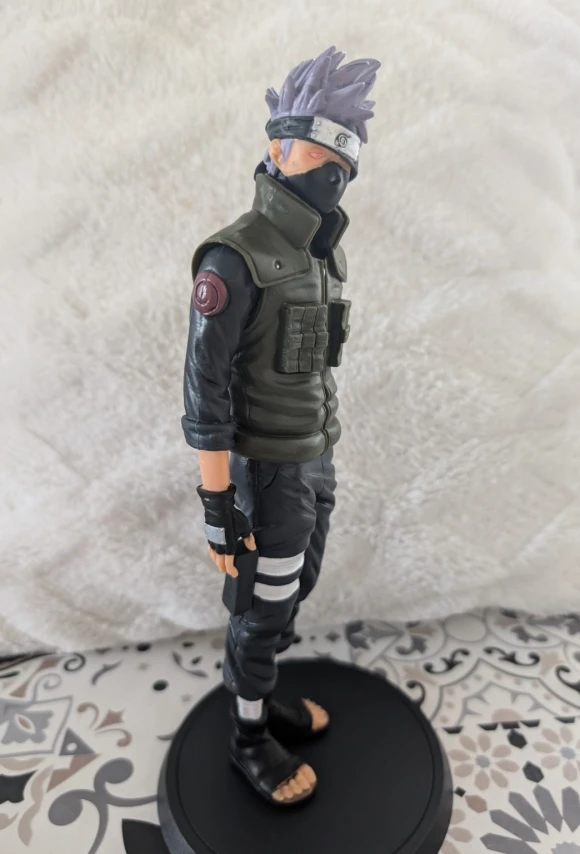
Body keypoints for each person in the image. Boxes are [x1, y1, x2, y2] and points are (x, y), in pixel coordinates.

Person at [182, 45, 380, 807]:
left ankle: (259, 701)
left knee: (294, 593)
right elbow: (205, 391)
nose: (332, 168)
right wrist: (218, 504)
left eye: (343, 157)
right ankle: (246, 737)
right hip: (265, 471)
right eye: (317, 149)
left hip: (314, 460)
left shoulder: (324, 256)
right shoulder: (234, 258)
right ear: (278, 149)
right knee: (261, 610)